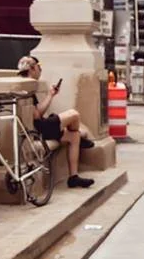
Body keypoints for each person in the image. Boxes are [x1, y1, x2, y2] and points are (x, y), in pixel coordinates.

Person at [16, 55, 95, 189]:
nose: (40, 70)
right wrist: (50, 95)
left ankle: (73, 178)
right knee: (74, 115)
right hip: (39, 128)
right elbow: (37, 115)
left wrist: (51, 94)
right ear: (33, 68)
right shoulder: (27, 85)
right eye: (39, 66)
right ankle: (80, 138)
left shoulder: (28, 84)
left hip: (40, 125)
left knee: (73, 137)